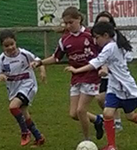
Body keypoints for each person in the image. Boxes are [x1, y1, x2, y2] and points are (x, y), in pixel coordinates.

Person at [67, 20, 137, 150]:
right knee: (107, 113)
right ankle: (111, 146)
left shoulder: (111, 46)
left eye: (97, 37)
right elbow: (108, 61)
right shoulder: (115, 43)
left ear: (106, 35)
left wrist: (77, 70)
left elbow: (96, 63)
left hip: (125, 87)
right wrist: (105, 69)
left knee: (130, 116)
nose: (95, 41)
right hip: (113, 86)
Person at [30, 7, 104, 141]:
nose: (68, 26)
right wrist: (40, 63)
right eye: (66, 23)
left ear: (79, 19)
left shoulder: (90, 35)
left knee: (81, 110)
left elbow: (103, 53)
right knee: (74, 114)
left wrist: (103, 67)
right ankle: (98, 120)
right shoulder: (65, 40)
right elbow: (56, 58)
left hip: (91, 76)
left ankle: (87, 141)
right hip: (76, 77)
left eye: (71, 22)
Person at [0, 30, 46, 147]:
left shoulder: (24, 54)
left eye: (12, 44)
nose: (10, 47)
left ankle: (25, 132)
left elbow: (38, 61)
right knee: (23, 112)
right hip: (13, 88)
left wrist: (42, 71)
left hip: (28, 84)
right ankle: (39, 137)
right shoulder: (1, 59)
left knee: (13, 107)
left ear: (16, 42)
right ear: (2, 46)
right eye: (6, 46)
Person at [93, 11, 123, 131]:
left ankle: (116, 121)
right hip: (102, 72)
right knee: (101, 98)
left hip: (114, 74)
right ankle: (112, 119)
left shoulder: (116, 39)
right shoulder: (96, 38)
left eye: (106, 22)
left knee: (107, 97)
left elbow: (124, 56)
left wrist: (108, 66)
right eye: (100, 22)